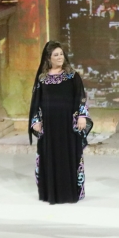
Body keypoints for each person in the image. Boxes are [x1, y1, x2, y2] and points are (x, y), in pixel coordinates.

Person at [28, 41, 93, 204]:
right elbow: (36, 101)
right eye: (55, 55)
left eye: (61, 54)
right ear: (48, 58)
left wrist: (82, 116)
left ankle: (69, 193)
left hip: (68, 126)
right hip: (49, 127)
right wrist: (36, 120)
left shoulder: (72, 76)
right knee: (49, 157)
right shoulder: (42, 79)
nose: (59, 57)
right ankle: (51, 193)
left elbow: (81, 96)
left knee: (68, 157)